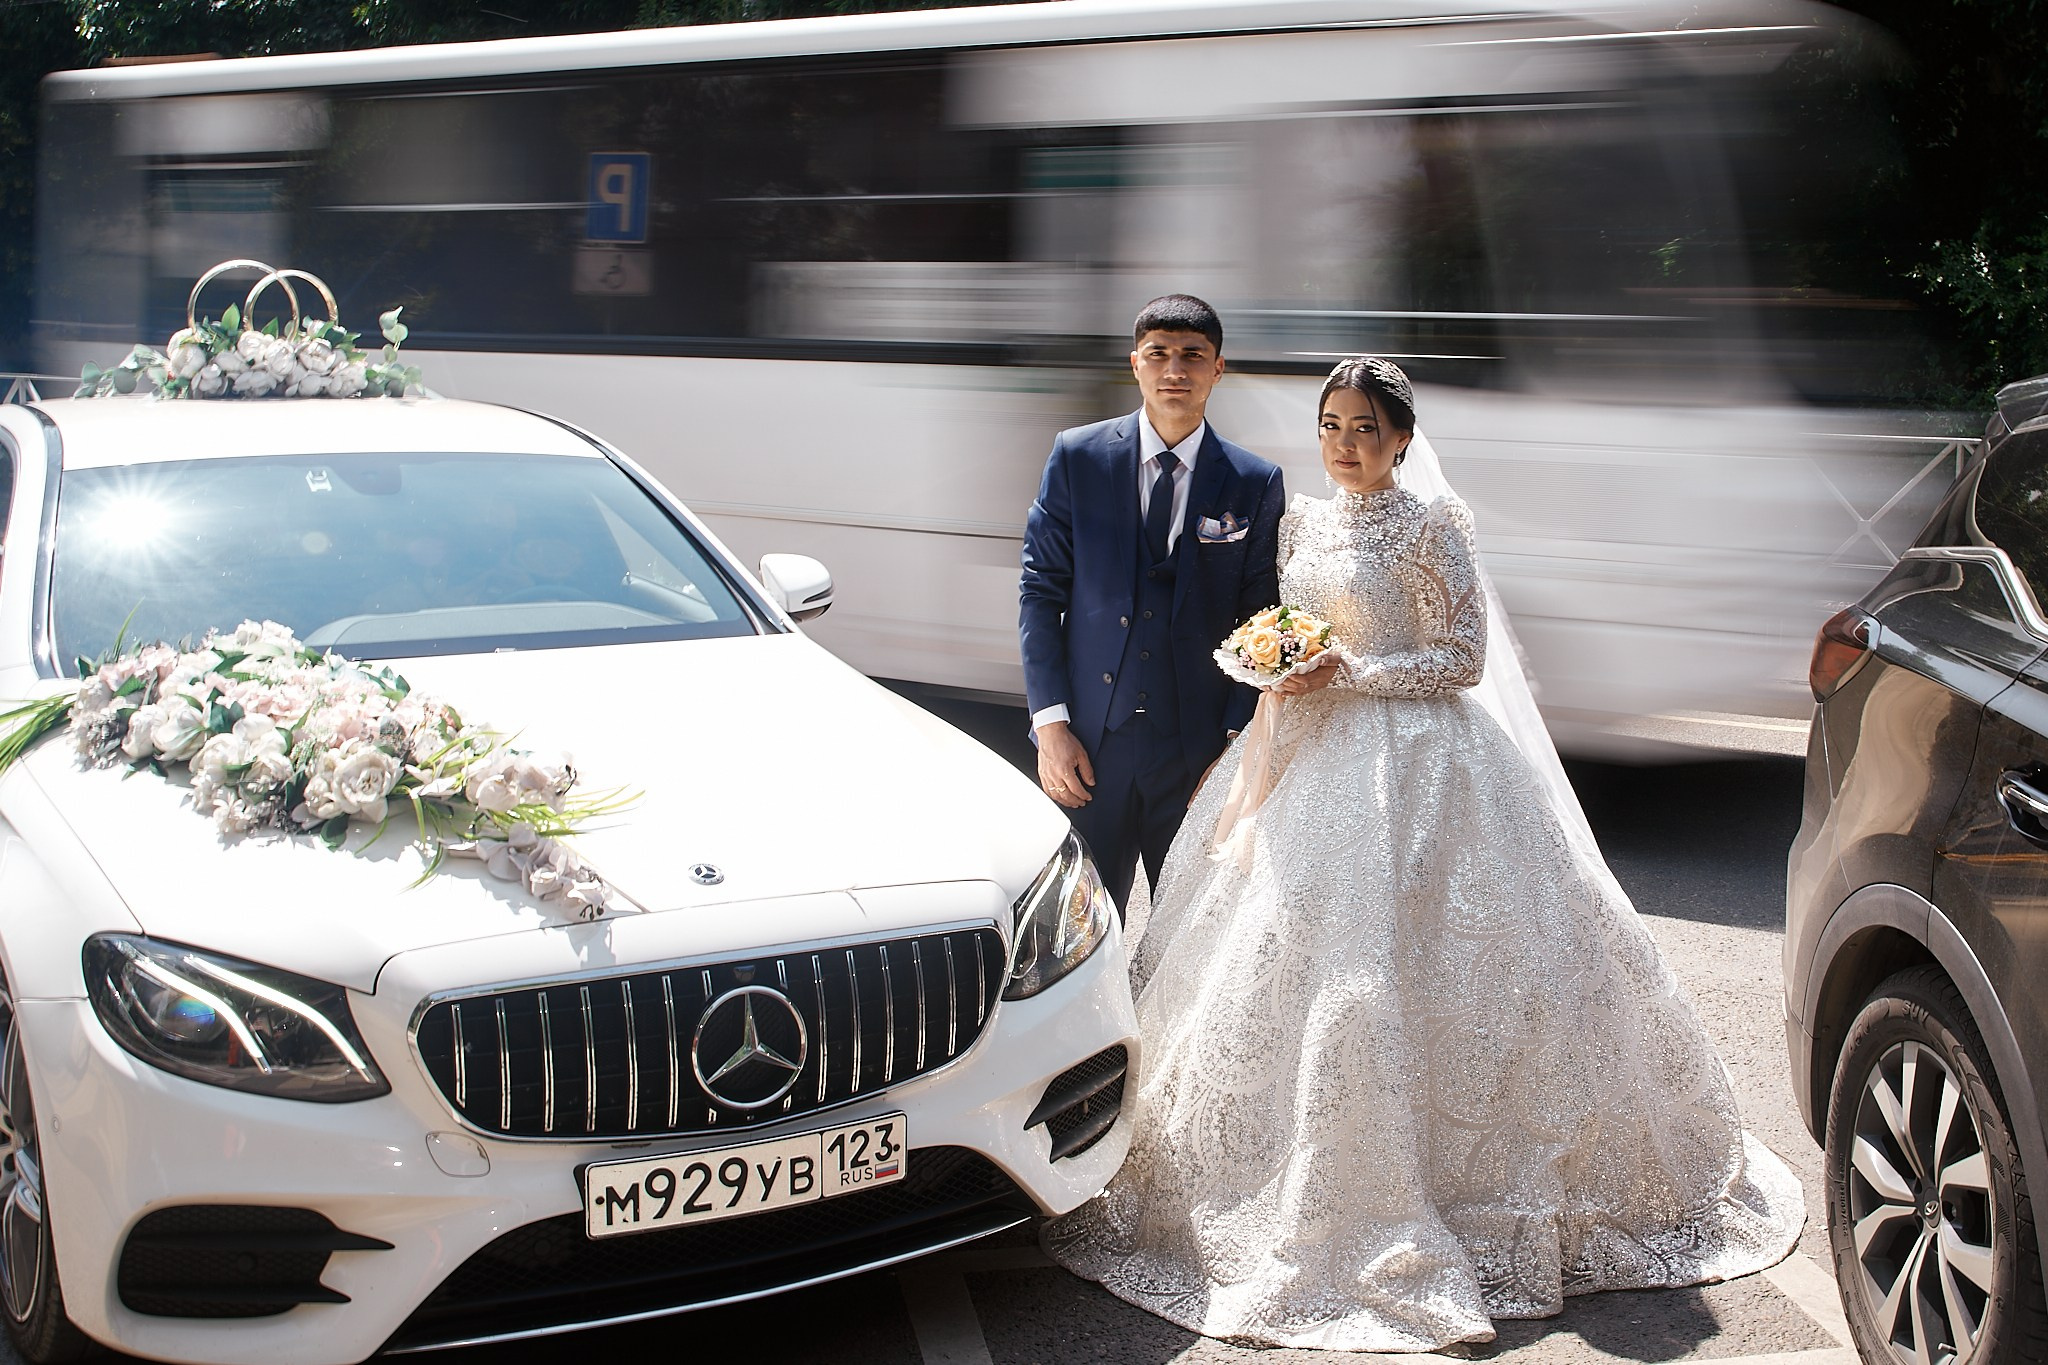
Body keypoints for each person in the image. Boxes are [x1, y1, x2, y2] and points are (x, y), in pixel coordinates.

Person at [1045, 357, 1804, 1352]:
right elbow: (1286, 622)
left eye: (1363, 427)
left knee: (1451, 965)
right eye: (1328, 425)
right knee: (1264, 955)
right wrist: (1279, 658)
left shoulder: (1436, 524)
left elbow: (1461, 660)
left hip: (1428, 764)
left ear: (1401, 437)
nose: (1343, 443)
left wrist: (1346, 669)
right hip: (1307, 754)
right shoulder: (1301, 523)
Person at [1019, 295, 1287, 915]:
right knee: (1078, 927)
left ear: (1218, 369)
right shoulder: (1077, 457)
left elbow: (1258, 619)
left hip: (1193, 752)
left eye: (1193, 356)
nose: (1176, 369)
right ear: (1134, 363)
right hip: (1090, 744)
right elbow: (1040, 591)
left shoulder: (1254, 481)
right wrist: (1051, 727)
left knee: (1187, 931)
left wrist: (1231, 751)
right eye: (1159, 354)